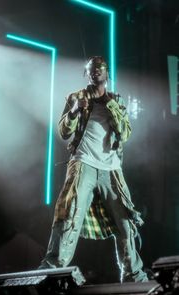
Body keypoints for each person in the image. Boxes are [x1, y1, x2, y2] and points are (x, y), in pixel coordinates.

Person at [39, 56, 148, 282]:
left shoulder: (116, 101)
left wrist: (111, 107)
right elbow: (63, 132)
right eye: (90, 69)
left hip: (111, 170)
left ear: (107, 73)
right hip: (83, 163)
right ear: (86, 74)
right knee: (69, 214)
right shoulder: (75, 98)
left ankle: (134, 276)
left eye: (99, 69)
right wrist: (74, 111)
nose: (95, 72)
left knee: (125, 223)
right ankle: (50, 269)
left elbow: (125, 134)